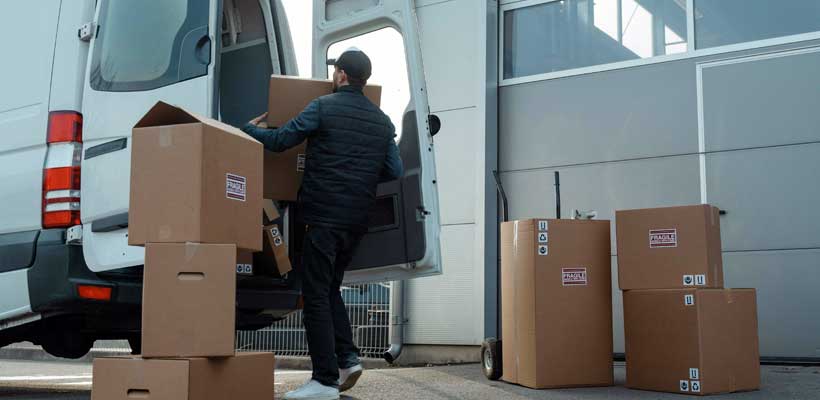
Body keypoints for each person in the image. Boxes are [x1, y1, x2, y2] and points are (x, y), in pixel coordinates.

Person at [242, 48, 403, 400]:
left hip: (322, 217)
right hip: (355, 222)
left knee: (314, 294)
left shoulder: (322, 107)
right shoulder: (381, 121)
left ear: (342, 75)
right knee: (330, 289)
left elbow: (282, 140)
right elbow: (395, 170)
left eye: (336, 72)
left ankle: (324, 380)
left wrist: (247, 130)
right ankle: (347, 358)